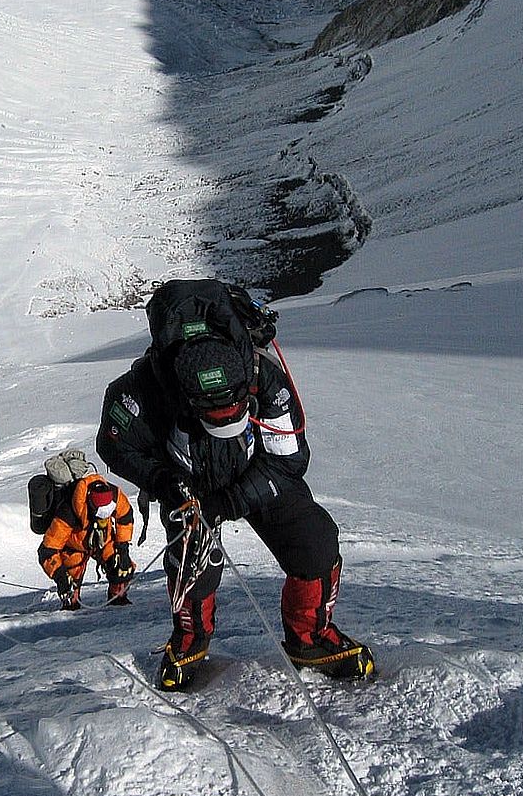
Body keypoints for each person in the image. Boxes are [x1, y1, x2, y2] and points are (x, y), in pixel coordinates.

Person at [96, 278, 374, 690]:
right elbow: (114, 444)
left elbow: (288, 460)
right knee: (193, 563)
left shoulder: (266, 378)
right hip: (186, 482)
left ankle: (310, 640)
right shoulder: (140, 392)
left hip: (256, 474)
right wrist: (163, 481)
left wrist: (227, 503)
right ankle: (189, 641)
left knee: (314, 542)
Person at [37, 473, 136, 609]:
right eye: (101, 516)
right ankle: (71, 608)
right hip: (73, 549)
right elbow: (47, 550)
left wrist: (123, 550)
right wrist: (60, 577)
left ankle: (118, 600)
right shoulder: (67, 513)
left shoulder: (114, 494)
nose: (104, 519)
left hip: (103, 541)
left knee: (122, 569)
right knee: (70, 590)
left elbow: (125, 516)